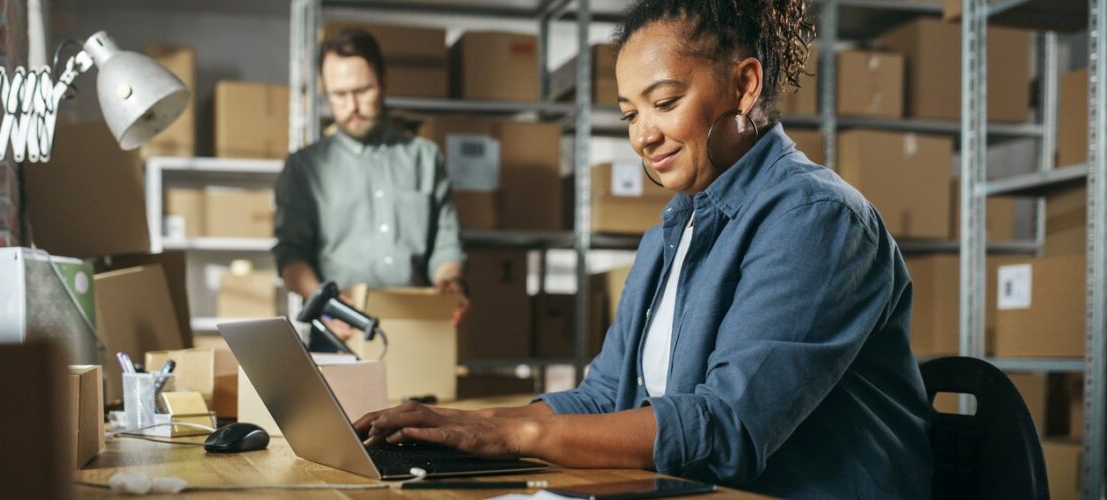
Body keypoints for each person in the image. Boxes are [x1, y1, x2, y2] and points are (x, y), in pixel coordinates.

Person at [353, 1, 933, 498]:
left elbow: (726, 427)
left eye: (664, 101)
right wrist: (461, 425)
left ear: (745, 84)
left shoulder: (817, 220)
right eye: (630, 113)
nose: (642, 135)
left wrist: (512, 435)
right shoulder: (673, 229)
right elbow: (606, 395)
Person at [274, 28, 466, 342]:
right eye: (339, 95)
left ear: (384, 84)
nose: (352, 106)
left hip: (417, 328)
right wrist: (326, 304)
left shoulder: (425, 158)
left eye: (362, 90)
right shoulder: (304, 168)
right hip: (340, 332)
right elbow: (291, 256)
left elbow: (445, 246)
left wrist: (450, 281)